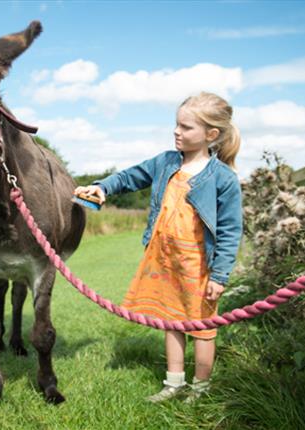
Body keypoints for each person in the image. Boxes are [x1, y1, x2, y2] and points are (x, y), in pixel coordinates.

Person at [74, 92, 242, 403]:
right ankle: (174, 383)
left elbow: (231, 230)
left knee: (202, 327)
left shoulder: (223, 178)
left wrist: (219, 275)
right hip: (165, 261)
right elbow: (129, 177)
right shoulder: (165, 162)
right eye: (176, 125)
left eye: (186, 127)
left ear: (211, 134)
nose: (177, 131)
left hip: (199, 266)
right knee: (172, 321)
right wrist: (102, 186)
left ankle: (200, 388)